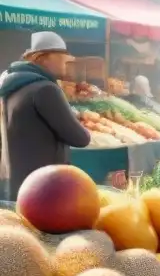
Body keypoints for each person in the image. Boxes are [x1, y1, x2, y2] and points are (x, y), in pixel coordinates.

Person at [0, 32, 91, 198]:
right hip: (45, 187)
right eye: (61, 55)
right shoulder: (45, 89)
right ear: (43, 58)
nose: (67, 60)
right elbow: (80, 138)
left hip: (20, 184)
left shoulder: (13, 86)